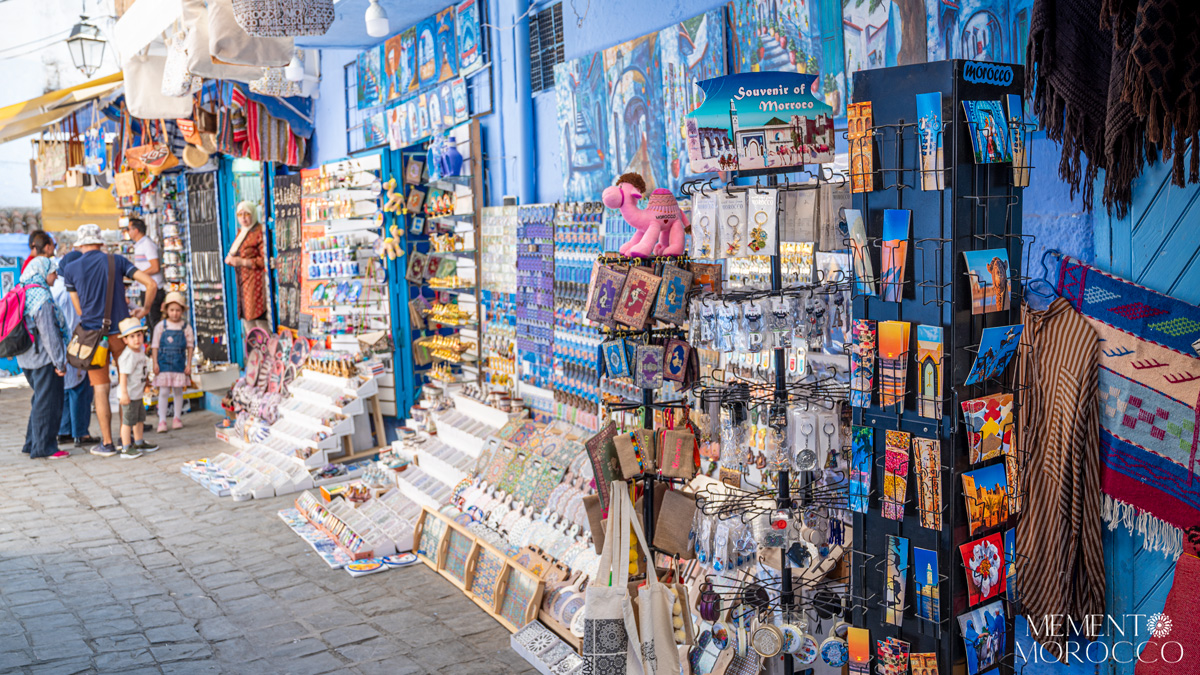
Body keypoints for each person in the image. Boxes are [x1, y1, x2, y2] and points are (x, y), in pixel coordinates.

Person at [60, 223, 159, 458]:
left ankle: (107, 443)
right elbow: (151, 284)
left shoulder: (72, 269)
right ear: (100, 242)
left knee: (101, 390)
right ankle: (132, 441)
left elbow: (79, 310)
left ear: (80, 244)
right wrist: (144, 310)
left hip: (94, 339)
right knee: (130, 386)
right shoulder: (117, 261)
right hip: (124, 335)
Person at [16, 256, 68, 459]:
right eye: (53, 272)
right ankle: (45, 447)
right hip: (42, 358)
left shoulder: (24, 290)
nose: (55, 277)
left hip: (26, 357)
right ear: (42, 271)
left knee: (39, 399)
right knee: (48, 402)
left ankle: (32, 443)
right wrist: (59, 362)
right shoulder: (41, 298)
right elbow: (49, 334)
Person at [52, 249, 98, 447]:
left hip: (61, 346)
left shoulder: (57, 287)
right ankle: (80, 433)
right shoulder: (68, 291)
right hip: (74, 344)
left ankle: (65, 431)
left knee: (66, 389)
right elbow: (73, 322)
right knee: (80, 388)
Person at [150, 291, 194, 432]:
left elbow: (190, 347)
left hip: (179, 364)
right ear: (167, 310)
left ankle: (177, 417)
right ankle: (162, 420)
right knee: (163, 392)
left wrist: (189, 365)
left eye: (178, 310)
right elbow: (155, 346)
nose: (175, 313)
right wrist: (155, 363)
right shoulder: (161, 326)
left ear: (182, 311)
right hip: (163, 365)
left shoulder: (185, 327)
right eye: (172, 310)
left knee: (178, 391)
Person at [116, 317, 158, 459]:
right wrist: (124, 393)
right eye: (132, 336)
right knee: (128, 422)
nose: (136, 339)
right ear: (125, 340)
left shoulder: (139, 352)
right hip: (129, 394)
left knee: (139, 419)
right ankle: (126, 447)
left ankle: (139, 442)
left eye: (139, 335)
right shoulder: (128, 355)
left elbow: (142, 370)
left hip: (137, 393)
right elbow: (123, 376)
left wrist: (146, 383)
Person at [224, 201, 269, 334]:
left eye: (247, 214)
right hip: (243, 286)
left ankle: (266, 353)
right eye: (240, 214)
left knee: (261, 325)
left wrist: (243, 262)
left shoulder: (258, 232)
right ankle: (254, 354)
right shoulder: (242, 233)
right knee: (249, 327)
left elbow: (264, 260)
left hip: (256, 284)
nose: (243, 218)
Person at [126, 218, 164, 330]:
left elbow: (155, 267)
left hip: (153, 289)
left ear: (136, 230)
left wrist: (138, 275)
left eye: (129, 229)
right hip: (145, 288)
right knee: (149, 321)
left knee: (154, 321)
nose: (128, 232)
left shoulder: (147, 244)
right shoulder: (139, 245)